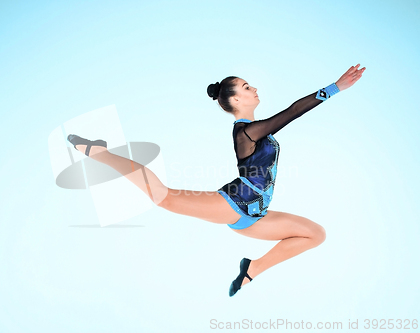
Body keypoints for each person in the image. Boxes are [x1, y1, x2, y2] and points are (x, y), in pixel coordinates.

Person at [67, 63, 366, 297]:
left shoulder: (258, 130)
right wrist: (335, 88)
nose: (255, 88)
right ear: (236, 99)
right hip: (235, 203)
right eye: (247, 87)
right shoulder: (245, 131)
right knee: (163, 196)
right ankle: (100, 153)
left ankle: (252, 269)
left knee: (316, 234)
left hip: (256, 214)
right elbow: (291, 113)